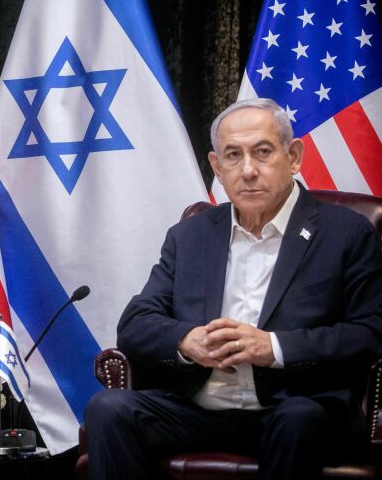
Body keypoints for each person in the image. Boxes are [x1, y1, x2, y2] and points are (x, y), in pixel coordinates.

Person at [84, 98, 382, 479]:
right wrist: (185, 342)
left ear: (293, 157)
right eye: (233, 156)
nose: (248, 171)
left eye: (262, 152)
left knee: (298, 419)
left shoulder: (346, 233)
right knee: (107, 409)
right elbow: (136, 324)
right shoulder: (190, 235)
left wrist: (272, 348)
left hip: (294, 409)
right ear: (217, 168)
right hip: (198, 410)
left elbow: (370, 332)